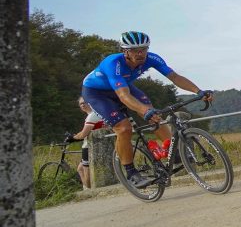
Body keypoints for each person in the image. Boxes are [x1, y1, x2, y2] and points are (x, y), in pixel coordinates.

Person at [81, 31, 213, 188]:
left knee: (154, 115)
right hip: (97, 93)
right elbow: (123, 96)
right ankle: (131, 173)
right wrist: (144, 111)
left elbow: (175, 77)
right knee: (124, 129)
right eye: (135, 50)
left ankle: (172, 152)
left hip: (124, 87)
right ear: (125, 51)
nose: (140, 53)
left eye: (144, 49)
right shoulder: (113, 63)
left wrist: (199, 91)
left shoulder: (151, 58)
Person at [65, 97, 104, 189]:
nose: (83, 105)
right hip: (95, 144)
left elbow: (83, 134)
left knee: (87, 171)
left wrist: (72, 138)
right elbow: (86, 131)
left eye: (84, 102)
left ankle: (89, 190)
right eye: (80, 104)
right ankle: (86, 188)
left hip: (88, 147)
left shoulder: (92, 116)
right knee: (80, 169)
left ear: (90, 103)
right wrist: (76, 136)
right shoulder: (97, 113)